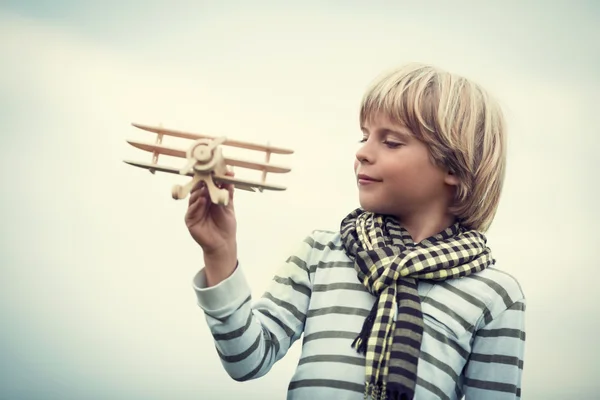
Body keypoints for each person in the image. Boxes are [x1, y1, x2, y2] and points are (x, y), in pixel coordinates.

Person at [185, 63, 526, 400]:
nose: (362, 152)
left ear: (453, 166)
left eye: (391, 142)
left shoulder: (495, 295)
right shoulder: (322, 252)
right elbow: (247, 359)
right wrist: (219, 252)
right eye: (364, 136)